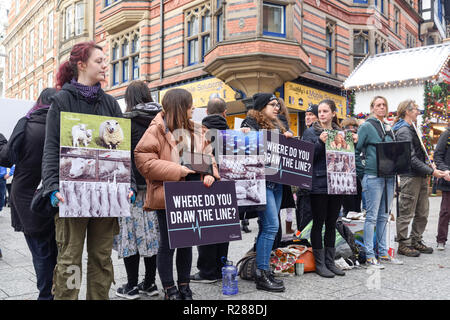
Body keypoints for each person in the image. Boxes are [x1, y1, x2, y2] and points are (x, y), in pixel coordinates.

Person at [42, 41, 136, 300]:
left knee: (102, 259)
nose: (106, 65)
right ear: (81, 65)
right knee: (70, 259)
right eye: (99, 61)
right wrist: (52, 187)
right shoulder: (61, 101)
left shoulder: (110, 104)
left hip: (106, 198)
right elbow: (51, 149)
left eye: (106, 60)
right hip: (71, 196)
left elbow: (122, 151)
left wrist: (129, 185)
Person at [134, 88, 219, 300]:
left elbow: (210, 158)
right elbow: (144, 161)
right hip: (167, 194)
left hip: (192, 194)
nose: (194, 109)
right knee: (169, 243)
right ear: (181, 107)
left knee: (187, 242)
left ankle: (184, 287)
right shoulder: (155, 130)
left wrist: (210, 175)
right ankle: (169, 289)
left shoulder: (198, 130)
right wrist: (178, 170)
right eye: (190, 105)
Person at [6, 88, 58, 300]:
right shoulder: (63, 126)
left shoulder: (26, 123)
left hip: (27, 195)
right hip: (54, 196)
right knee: (54, 249)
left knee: (40, 251)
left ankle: (46, 294)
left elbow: (7, 157)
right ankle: (53, 291)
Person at [113, 81, 161, 299]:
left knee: (130, 237)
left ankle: (132, 285)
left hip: (132, 190)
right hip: (157, 187)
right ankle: (150, 284)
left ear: (130, 99)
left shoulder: (126, 123)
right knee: (152, 236)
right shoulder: (161, 121)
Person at [241, 93, 292, 292]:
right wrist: (245, 134)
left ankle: (265, 270)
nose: (277, 108)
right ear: (262, 106)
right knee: (271, 225)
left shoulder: (277, 125)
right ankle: (261, 273)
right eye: (272, 104)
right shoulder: (250, 122)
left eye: (277, 105)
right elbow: (246, 148)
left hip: (277, 183)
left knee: (267, 227)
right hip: (262, 183)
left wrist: (287, 139)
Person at [302, 99, 354, 278]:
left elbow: (348, 158)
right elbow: (305, 158)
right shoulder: (310, 132)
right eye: (320, 111)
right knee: (318, 223)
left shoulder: (340, 132)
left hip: (338, 182)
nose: (322, 114)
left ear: (333, 113)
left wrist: (353, 142)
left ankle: (330, 262)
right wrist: (319, 142)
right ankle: (320, 263)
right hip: (318, 183)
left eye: (325, 111)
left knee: (332, 223)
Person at [392, 100, 446, 257]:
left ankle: (416, 240)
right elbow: (410, 158)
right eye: (415, 109)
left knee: (423, 212)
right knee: (406, 211)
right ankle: (403, 243)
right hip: (410, 176)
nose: (418, 112)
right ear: (407, 111)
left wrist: (430, 168)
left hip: (420, 175)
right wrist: (431, 171)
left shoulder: (411, 128)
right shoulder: (403, 130)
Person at [355, 96, 403, 268]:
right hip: (373, 176)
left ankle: (383, 253)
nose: (381, 107)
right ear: (372, 108)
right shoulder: (367, 126)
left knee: (384, 216)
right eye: (378, 105)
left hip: (389, 177)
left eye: (384, 105)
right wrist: (362, 173)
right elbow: (356, 149)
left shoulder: (389, 127)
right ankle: (369, 255)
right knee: (372, 217)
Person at [190, 97, 230, 283]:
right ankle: (221, 265)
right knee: (223, 227)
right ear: (225, 113)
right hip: (226, 185)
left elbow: (196, 161)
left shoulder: (198, 133)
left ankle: (207, 271)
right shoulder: (232, 134)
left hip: (205, 182)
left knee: (205, 228)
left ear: (206, 112)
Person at [295, 104, 319, 234]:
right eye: (306, 115)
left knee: (306, 218)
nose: (308, 117)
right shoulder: (307, 131)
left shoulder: (310, 132)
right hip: (306, 183)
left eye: (311, 115)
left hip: (309, 184)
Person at [277, 97, 296, 235]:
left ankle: (280, 231)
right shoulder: (284, 123)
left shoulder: (276, 121)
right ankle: (288, 229)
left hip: (276, 168)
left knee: (276, 207)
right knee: (288, 204)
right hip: (285, 169)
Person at [340, 117, 362, 216]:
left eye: (353, 128)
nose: (351, 130)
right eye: (348, 128)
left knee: (353, 208)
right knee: (352, 208)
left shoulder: (359, 139)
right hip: (348, 177)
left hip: (352, 177)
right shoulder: (341, 140)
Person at [434, 126, 450, 250]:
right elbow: (438, 156)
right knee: (446, 211)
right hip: (448, 178)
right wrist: (445, 170)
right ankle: (441, 239)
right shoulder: (446, 134)